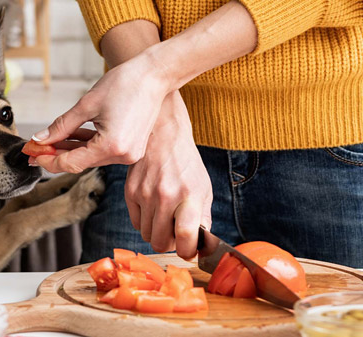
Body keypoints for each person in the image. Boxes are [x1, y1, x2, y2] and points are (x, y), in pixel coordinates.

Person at [29, 0, 363, 268]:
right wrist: (161, 123)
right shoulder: (155, 126)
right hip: (147, 142)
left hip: (335, 144)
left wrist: (155, 76)